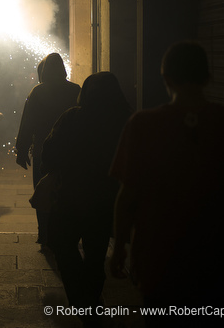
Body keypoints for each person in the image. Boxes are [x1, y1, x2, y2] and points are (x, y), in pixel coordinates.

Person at [110, 41, 224, 327]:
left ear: (166, 78)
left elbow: (128, 195)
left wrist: (120, 246)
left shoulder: (142, 125)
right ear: (208, 77)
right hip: (219, 259)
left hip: (159, 259)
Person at [41, 72, 132, 324]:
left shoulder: (72, 116)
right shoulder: (126, 121)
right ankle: (90, 302)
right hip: (105, 201)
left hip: (71, 197)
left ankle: (81, 300)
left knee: (62, 245)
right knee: (96, 253)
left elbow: (48, 154)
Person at [15, 53, 81, 246]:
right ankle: (66, 233)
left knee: (42, 189)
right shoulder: (75, 90)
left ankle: (44, 234)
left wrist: (21, 150)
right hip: (71, 150)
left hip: (43, 150)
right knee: (67, 190)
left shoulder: (37, 92)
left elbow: (27, 123)